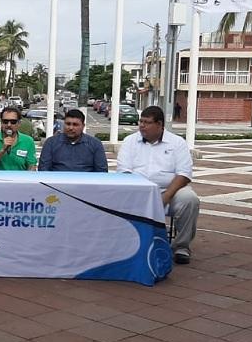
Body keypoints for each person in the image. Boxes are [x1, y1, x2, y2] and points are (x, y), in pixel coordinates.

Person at [116, 105, 199, 265]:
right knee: (115, 195)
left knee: (190, 199)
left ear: (160, 125)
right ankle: (126, 243)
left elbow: (184, 174)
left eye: (147, 122)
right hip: (137, 191)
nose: (141, 125)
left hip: (169, 191)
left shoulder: (177, 143)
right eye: (141, 121)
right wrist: (142, 193)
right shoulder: (130, 141)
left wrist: (166, 196)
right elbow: (124, 171)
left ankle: (181, 247)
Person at [39, 109, 107, 173]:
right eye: (68, 124)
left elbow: (102, 172)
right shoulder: (51, 143)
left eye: (75, 125)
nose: (71, 128)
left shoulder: (95, 144)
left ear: (83, 126)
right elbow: (43, 170)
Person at [0, 107, 37, 171]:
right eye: (5, 121)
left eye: (13, 122)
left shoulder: (28, 141)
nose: (9, 125)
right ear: (1, 122)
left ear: (19, 123)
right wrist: (2, 150)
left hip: (20, 179)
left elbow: (32, 166)